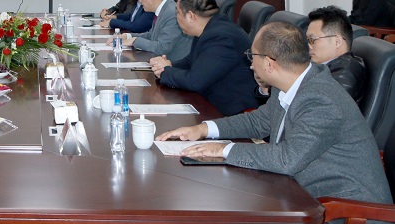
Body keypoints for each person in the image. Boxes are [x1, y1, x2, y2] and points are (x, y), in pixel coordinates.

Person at [158, 22, 392, 205]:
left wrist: (223, 150)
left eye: (252, 57)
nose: (251, 65)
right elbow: (258, 121)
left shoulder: (321, 99)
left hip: (344, 208)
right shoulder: (291, 83)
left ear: (270, 63)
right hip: (300, 191)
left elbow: (287, 159)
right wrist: (203, 129)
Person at [150, 0, 258, 116]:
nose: (176, 17)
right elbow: (191, 60)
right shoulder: (209, 27)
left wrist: (166, 70)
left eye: (177, 12)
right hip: (209, 100)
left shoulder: (221, 37)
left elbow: (194, 81)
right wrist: (168, 65)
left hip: (228, 111)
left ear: (191, 16)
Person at [116, 0, 192, 62]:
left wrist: (135, 41)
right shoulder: (163, 9)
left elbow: (162, 48)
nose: (140, 1)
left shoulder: (172, 13)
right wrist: (128, 36)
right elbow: (151, 35)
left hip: (174, 65)